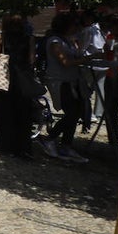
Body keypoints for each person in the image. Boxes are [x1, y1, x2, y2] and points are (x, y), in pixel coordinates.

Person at [39, 12, 89, 162]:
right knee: (72, 113)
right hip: (60, 81)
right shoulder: (55, 41)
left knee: (77, 111)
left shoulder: (67, 40)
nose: (77, 28)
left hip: (71, 80)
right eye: (74, 25)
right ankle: (51, 137)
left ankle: (66, 144)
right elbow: (65, 62)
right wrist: (88, 58)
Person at [0, 15, 40, 158]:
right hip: (23, 78)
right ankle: (23, 147)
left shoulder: (0, 37)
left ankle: (7, 146)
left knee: (5, 112)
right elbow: (31, 60)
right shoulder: (29, 38)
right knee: (24, 113)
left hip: (5, 78)